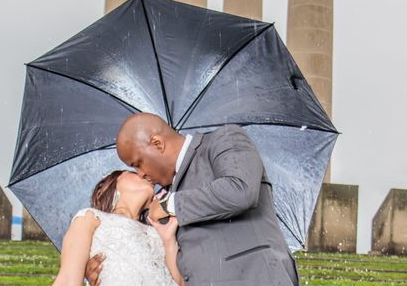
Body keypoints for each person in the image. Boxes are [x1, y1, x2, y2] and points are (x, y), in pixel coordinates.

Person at [86, 112, 299, 286]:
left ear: (158, 144)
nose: (140, 174)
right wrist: (100, 269)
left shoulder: (225, 139)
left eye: (137, 163)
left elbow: (240, 190)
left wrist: (169, 204)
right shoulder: (155, 201)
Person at [53, 169, 184, 286]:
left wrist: (168, 240)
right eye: (133, 172)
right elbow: (67, 279)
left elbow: (179, 282)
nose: (143, 173)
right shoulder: (90, 218)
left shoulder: (158, 230)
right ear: (111, 186)